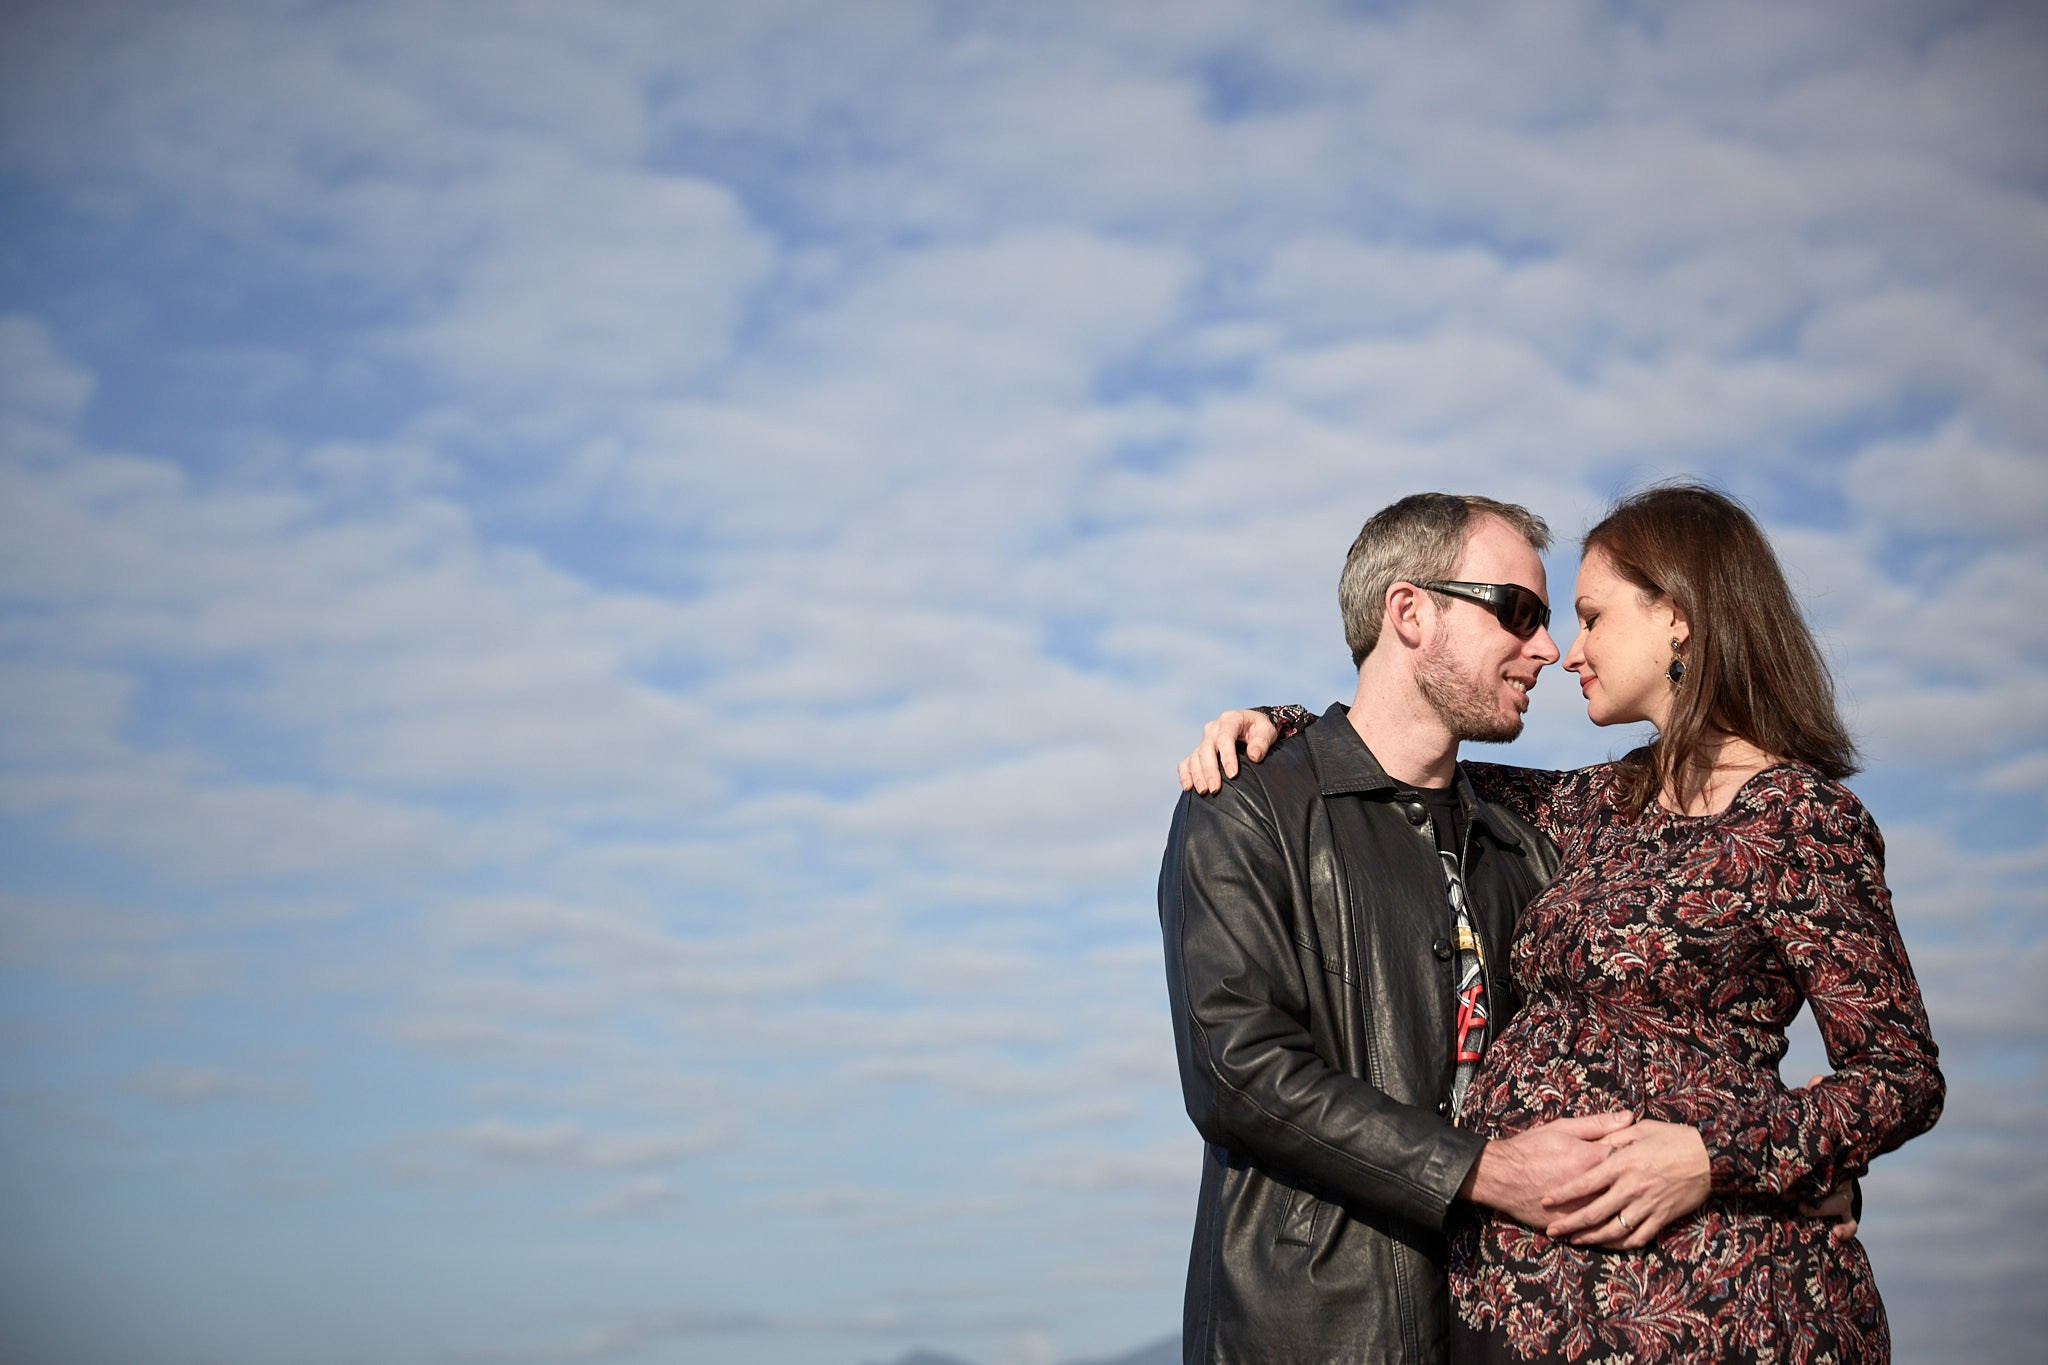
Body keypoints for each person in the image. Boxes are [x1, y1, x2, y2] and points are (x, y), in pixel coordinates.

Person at [1180, 483, 1944, 1362]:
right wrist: (1277, 724)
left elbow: (1900, 1072)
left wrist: (1721, 1156)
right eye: (1533, 615)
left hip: (1715, 1299)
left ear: (1680, 617)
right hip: (1536, 1312)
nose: (1563, 651)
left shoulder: (1800, 819)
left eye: (1586, 617)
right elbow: (1391, 753)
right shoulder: (1589, 806)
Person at [1161, 492, 1711, 1364]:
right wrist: (1488, 1169)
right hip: (1313, 1335)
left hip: (1503, 1328)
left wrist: (1771, 1173)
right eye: (1519, 611)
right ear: (1408, 611)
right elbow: (1239, 1071)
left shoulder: (1527, 835)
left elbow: (1653, 1024)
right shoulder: (1248, 805)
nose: (1546, 648)